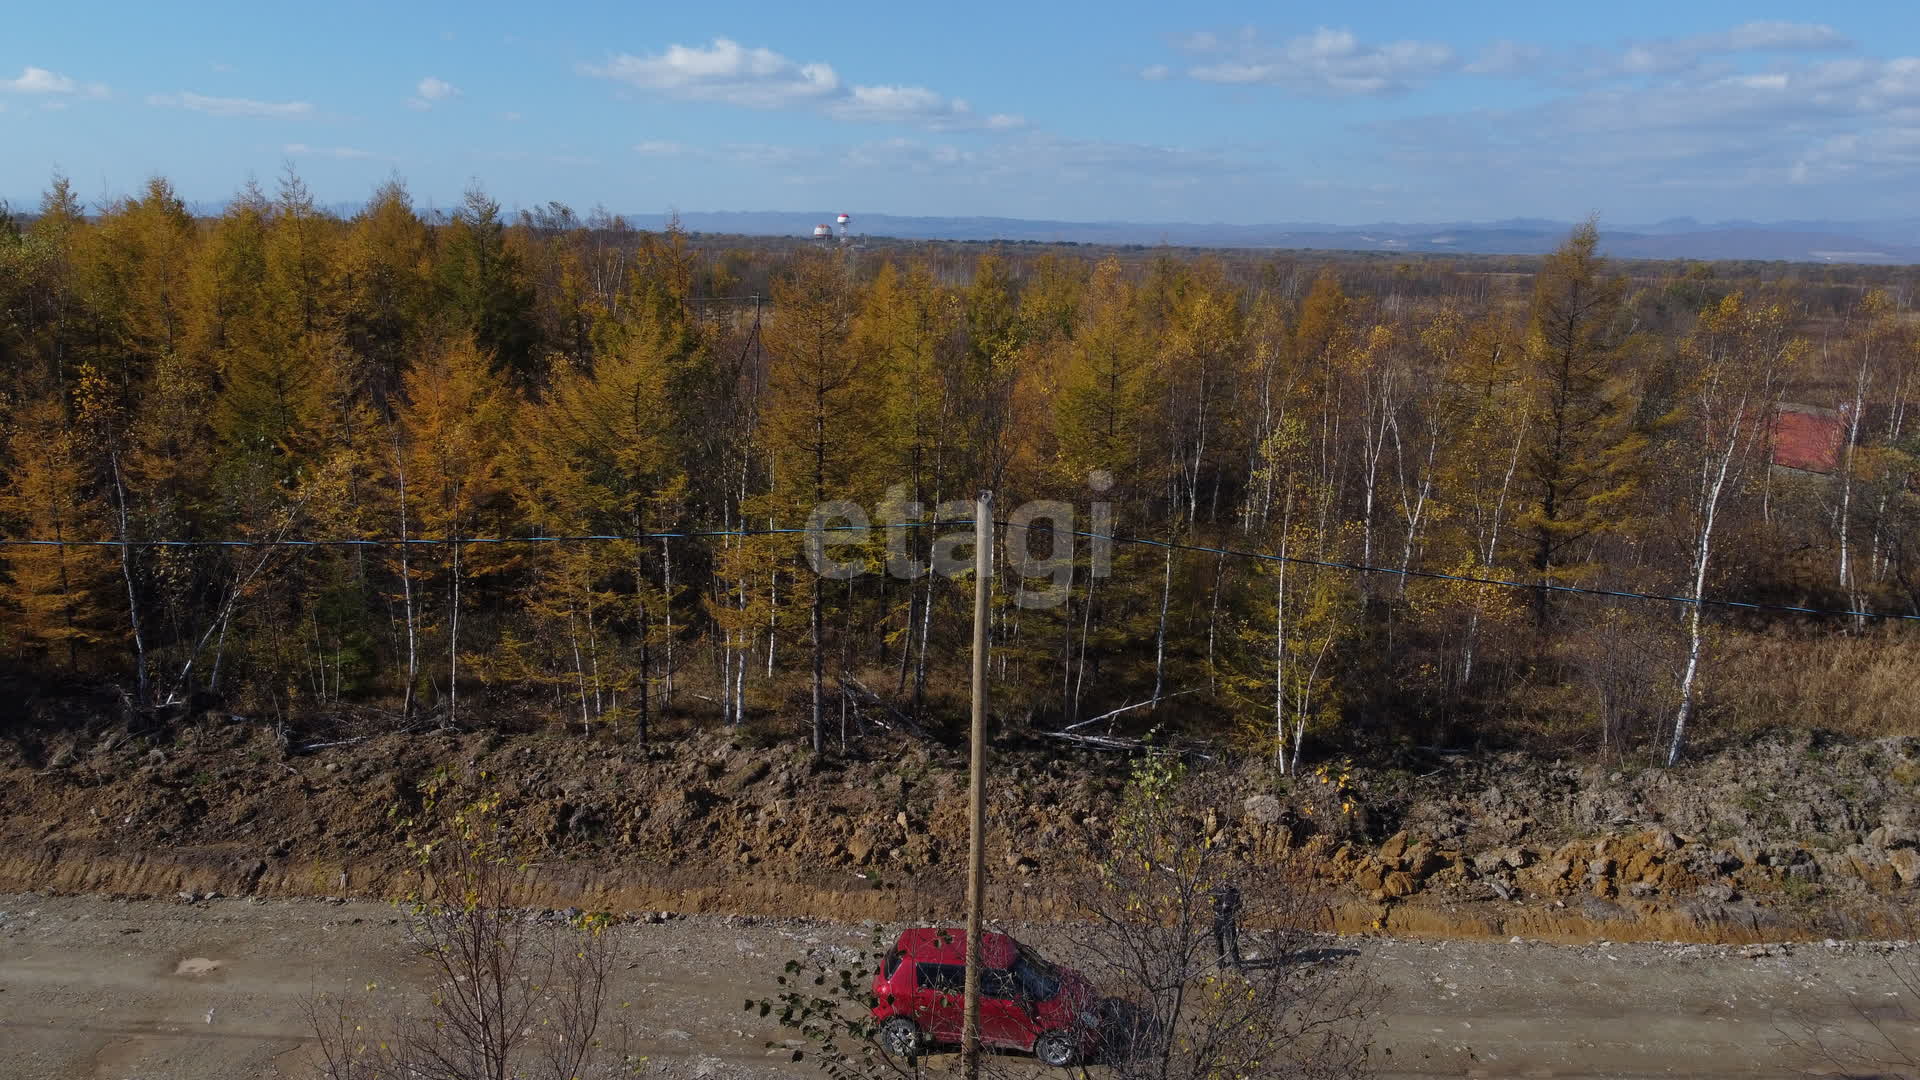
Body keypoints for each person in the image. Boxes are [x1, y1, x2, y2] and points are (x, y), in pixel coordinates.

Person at [1209, 881, 1242, 969]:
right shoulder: (1215, 890)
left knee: (1232, 941)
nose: (1226, 882)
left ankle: (1237, 964)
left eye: (1229, 879)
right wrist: (1221, 908)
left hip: (1229, 919)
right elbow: (1212, 906)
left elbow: (1239, 905)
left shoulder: (1235, 891)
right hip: (1218, 919)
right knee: (1218, 940)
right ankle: (1221, 962)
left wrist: (1231, 908)